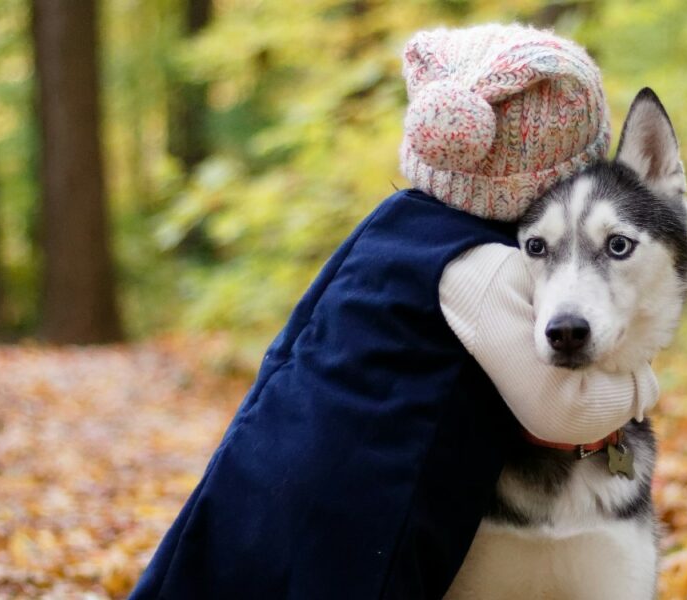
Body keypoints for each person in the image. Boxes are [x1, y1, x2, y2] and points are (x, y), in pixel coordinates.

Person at [129, 23, 658, 600]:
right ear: (561, 172)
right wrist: (640, 384)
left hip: (266, 464)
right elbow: (560, 413)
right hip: (364, 500)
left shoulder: (388, 224)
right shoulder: (484, 267)